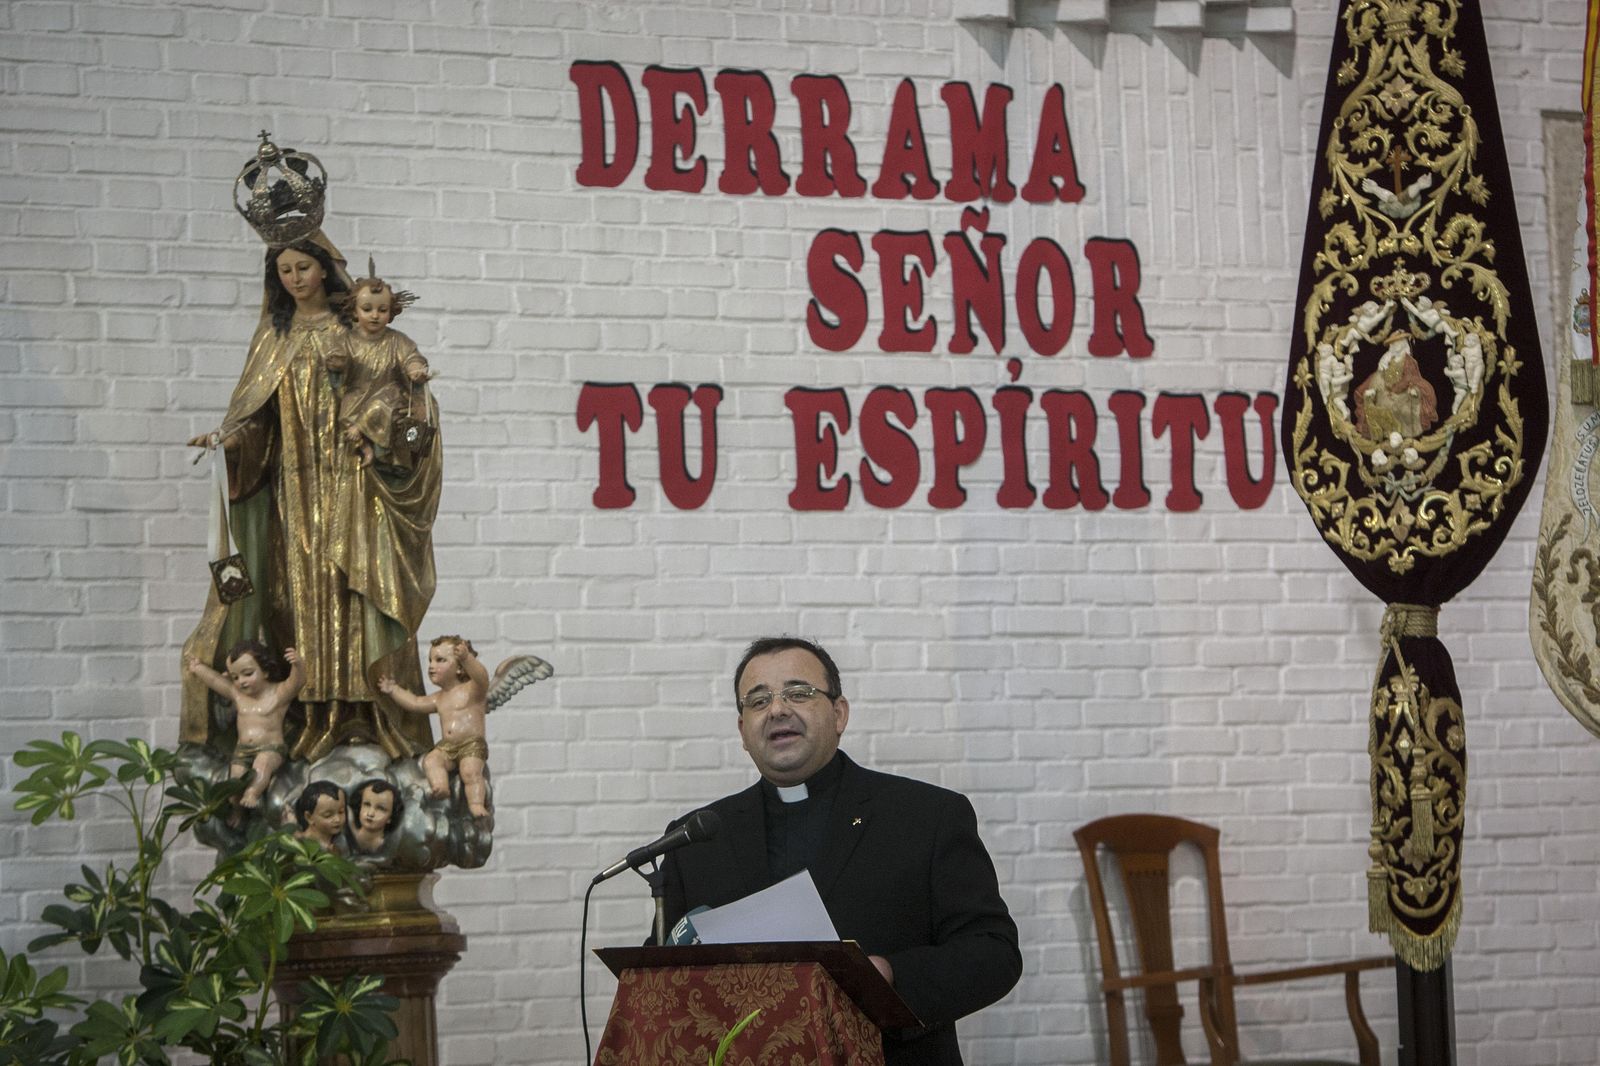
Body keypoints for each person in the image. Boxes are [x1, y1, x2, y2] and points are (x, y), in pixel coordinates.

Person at [654, 636, 1022, 1066]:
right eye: (758, 700)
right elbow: (663, 975)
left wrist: (890, 975)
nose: (777, 710)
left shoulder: (926, 817)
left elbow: (993, 952)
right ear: (742, 731)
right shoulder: (696, 839)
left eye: (798, 693)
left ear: (839, 713)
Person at [180, 232, 440, 764]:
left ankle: (368, 715)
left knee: (357, 594)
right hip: (294, 493)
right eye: (285, 270)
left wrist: (380, 428)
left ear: (324, 269)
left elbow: (404, 395)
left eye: (304, 267)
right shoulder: (273, 337)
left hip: (357, 485)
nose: (295, 278)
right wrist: (229, 441)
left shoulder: (360, 327)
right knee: (301, 598)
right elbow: (257, 418)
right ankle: (313, 716)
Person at [331, 262, 430, 470]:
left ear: (391, 312)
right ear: (355, 311)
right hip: (357, 398)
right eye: (367, 309)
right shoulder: (347, 340)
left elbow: (411, 357)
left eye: (382, 310)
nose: (375, 315)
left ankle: (397, 462)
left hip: (390, 401)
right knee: (345, 416)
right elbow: (337, 362)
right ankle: (365, 447)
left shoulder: (397, 340)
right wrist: (337, 364)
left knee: (387, 405)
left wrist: (415, 368)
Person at [379, 636, 493, 818]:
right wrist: (394, 690)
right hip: (447, 746)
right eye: (430, 660)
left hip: (471, 745)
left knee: (470, 772)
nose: (432, 666)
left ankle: (476, 805)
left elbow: (482, 678)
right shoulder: (439, 698)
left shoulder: (473, 690)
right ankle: (440, 786)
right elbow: (415, 703)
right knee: (431, 760)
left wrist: (467, 659)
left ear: (459, 668)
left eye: (440, 660)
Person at [185, 640, 305, 809]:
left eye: (248, 674)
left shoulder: (278, 694)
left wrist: (298, 665)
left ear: (265, 671)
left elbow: (296, 682)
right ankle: (237, 809)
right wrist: (198, 668)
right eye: (235, 677)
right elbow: (215, 680)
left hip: (270, 749)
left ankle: (252, 793)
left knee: (262, 765)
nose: (241, 681)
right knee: (235, 779)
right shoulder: (238, 695)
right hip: (242, 750)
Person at [347, 778, 404, 856]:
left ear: (391, 817)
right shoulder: (348, 831)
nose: (370, 814)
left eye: (381, 808)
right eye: (367, 804)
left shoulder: (387, 847)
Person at [293, 780, 347, 851]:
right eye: (328, 815)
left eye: (341, 812)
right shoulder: (301, 843)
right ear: (309, 817)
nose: (338, 819)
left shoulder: (339, 839)